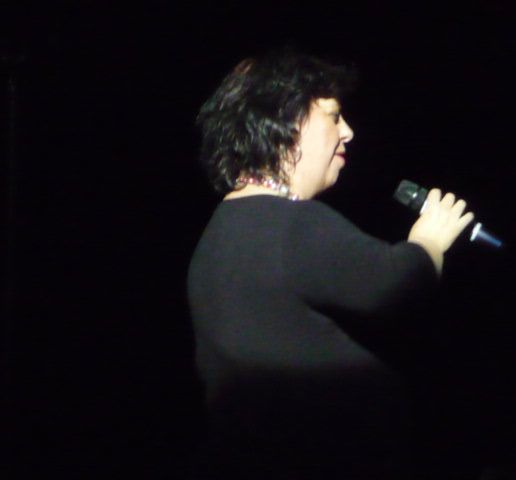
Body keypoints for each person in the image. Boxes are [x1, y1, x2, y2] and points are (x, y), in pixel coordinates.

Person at [186, 48, 474, 479]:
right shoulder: (289, 224)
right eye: (334, 116)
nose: (348, 131)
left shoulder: (223, 231)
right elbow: (395, 286)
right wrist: (430, 240)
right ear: (286, 118)